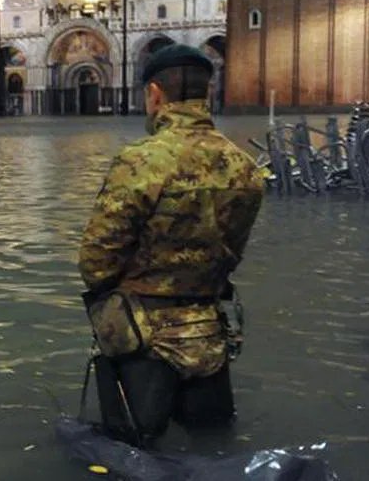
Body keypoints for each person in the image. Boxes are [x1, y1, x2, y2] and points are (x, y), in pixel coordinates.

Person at [78, 44, 265, 447]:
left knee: (133, 449)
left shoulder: (141, 161)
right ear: (208, 95)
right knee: (212, 443)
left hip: (143, 338)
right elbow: (231, 253)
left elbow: (95, 261)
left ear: (156, 94)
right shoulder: (244, 167)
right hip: (210, 333)